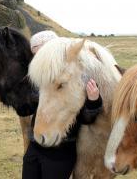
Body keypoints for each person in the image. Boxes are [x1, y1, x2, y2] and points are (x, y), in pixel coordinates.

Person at [22, 31, 103, 179]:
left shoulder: (76, 77)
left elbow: (87, 119)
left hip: (60, 151)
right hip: (35, 146)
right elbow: (25, 109)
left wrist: (93, 100)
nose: (39, 58)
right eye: (35, 54)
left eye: (41, 53)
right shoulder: (40, 79)